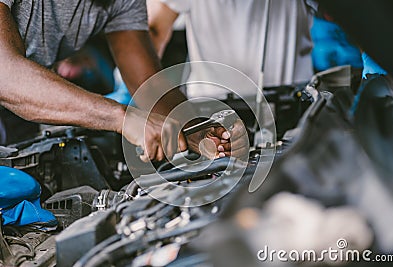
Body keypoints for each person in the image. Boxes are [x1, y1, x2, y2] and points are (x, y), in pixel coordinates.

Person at [0, 0, 245, 162]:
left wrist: (192, 125)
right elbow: (6, 76)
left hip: (17, 111)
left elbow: (149, 85)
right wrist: (122, 117)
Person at [147, 0, 315, 99]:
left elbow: (154, 29)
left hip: (292, 103)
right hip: (212, 111)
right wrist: (151, 98)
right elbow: (153, 30)